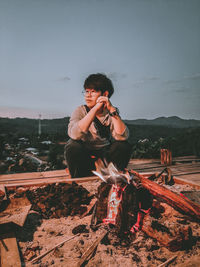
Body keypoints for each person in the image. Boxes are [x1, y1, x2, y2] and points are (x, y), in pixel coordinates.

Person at [64, 73, 132, 178]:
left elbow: (122, 136)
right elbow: (75, 135)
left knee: (123, 146)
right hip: (85, 155)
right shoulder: (80, 111)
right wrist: (95, 109)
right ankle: (80, 177)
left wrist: (113, 111)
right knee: (72, 146)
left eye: (93, 91)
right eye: (86, 91)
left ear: (105, 94)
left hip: (105, 156)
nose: (88, 95)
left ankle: (114, 177)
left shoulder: (111, 112)